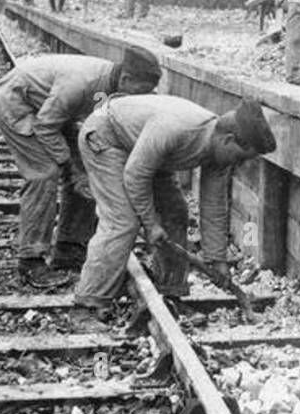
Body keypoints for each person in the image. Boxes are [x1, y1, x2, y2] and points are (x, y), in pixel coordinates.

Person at [72, 94, 276, 323]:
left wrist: (217, 259)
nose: (239, 165)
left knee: (176, 213)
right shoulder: (177, 130)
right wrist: (150, 224)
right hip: (107, 138)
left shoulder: (218, 153)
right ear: (228, 140)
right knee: (123, 221)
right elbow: (135, 175)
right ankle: (87, 304)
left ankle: (171, 292)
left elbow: (214, 206)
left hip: (146, 151)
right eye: (240, 158)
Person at [0, 46, 163, 287]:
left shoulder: (111, 87)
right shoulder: (82, 84)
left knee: (87, 172)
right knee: (44, 174)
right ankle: (30, 260)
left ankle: (70, 248)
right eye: (139, 91)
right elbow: (45, 127)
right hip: (18, 102)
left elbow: (97, 126)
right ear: (126, 79)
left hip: (52, 112)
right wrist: (71, 167)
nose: (139, 98)